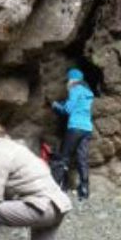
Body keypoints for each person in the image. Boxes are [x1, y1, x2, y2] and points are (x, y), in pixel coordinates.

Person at [51, 67, 94, 199]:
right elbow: (79, 106)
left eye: (68, 79)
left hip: (75, 126)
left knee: (63, 158)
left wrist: (55, 105)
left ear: (73, 79)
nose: (67, 82)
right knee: (82, 158)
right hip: (86, 128)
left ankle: (58, 189)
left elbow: (68, 110)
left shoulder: (74, 89)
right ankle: (84, 190)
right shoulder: (88, 92)